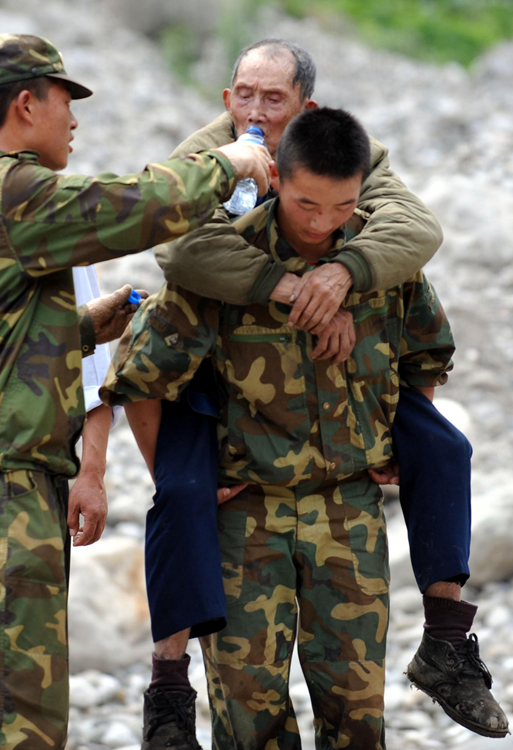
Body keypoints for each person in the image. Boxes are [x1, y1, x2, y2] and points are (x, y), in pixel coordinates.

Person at [123, 39, 506, 747]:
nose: (319, 221)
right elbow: (141, 372)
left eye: (275, 99)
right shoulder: (217, 236)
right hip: (248, 520)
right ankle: (166, 684)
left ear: (308, 108)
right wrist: (180, 481)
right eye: (246, 94)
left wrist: (398, 430)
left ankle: (448, 640)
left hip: (347, 513)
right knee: (250, 720)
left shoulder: (371, 226)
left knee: (357, 717)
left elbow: (425, 344)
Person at [0, 33, 271, 750]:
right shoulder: (7, 187)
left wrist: (83, 327)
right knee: (7, 719)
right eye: (65, 102)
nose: (74, 121)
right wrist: (228, 163)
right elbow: (130, 204)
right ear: (26, 104)